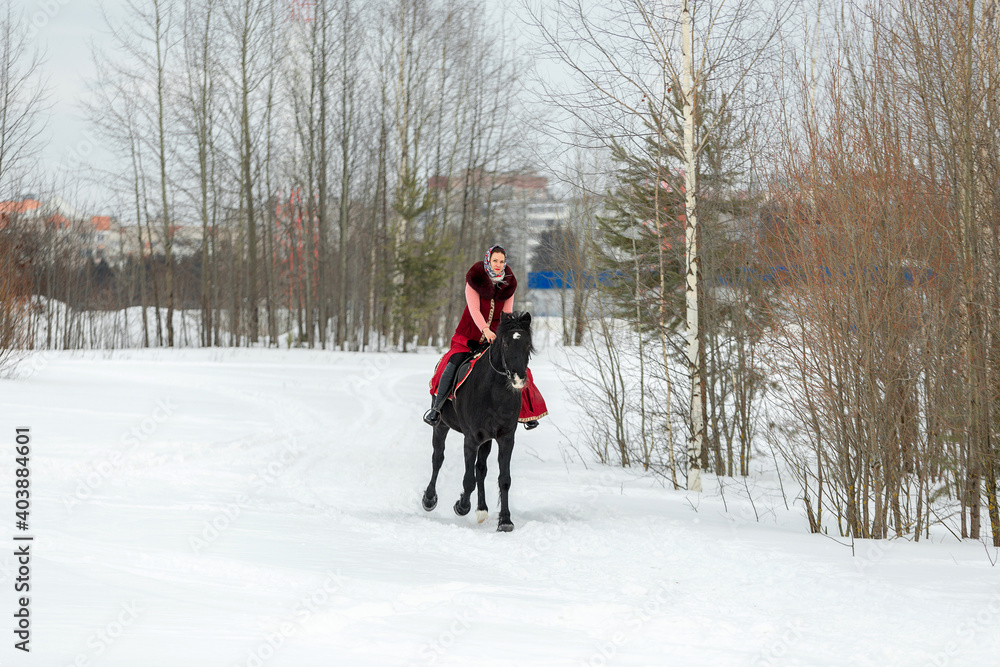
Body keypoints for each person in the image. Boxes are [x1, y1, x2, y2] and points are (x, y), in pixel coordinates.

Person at [424, 245, 547, 428]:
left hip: (495, 339)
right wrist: (485, 330)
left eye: (502, 261)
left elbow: (506, 314)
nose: (498, 265)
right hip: (469, 336)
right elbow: (474, 310)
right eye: (495, 261)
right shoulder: (474, 280)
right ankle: (438, 408)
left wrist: (502, 335)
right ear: (488, 260)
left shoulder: (508, 285)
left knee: (518, 365)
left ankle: (528, 413)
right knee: (453, 361)